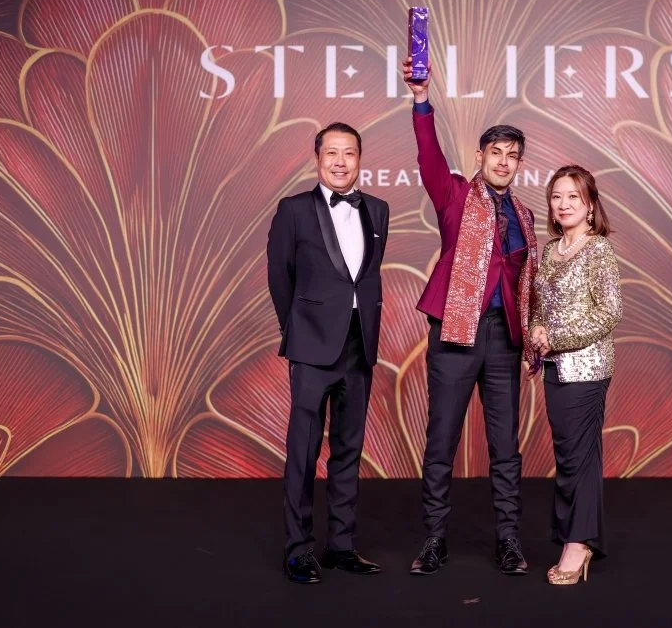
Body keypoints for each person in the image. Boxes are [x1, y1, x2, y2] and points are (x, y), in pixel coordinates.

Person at [402, 57, 538, 576]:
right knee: (442, 440)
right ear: (480, 156)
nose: (503, 162)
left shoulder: (525, 215)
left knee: (505, 447)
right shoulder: (455, 193)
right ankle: (434, 540)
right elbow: (428, 155)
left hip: (503, 339)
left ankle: (509, 542)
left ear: (519, 164)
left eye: (512, 156)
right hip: (455, 334)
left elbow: (525, 282)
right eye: (496, 153)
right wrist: (421, 99)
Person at [267, 122, 389, 584]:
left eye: (349, 153)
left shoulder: (378, 210)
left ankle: (341, 545)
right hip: (311, 346)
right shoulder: (294, 209)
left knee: (348, 449)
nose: (340, 162)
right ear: (317, 158)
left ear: (360, 158)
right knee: (303, 450)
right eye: (332, 153)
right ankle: (298, 550)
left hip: (359, 344)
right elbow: (280, 275)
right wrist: (298, 331)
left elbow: (367, 277)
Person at [529, 165, 623, 586]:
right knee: (571, 456)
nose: (564, 204)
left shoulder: (597, 249)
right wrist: (536, 329)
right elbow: (538, 305)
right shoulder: (551, 250)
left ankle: (578, 542)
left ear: (590, 205)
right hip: (555, 367)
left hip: (587, 367)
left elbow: (609, 312)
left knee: (577, 457)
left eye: (573, 197)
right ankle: (582, 535)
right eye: (557, 196)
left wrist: (557, 338)